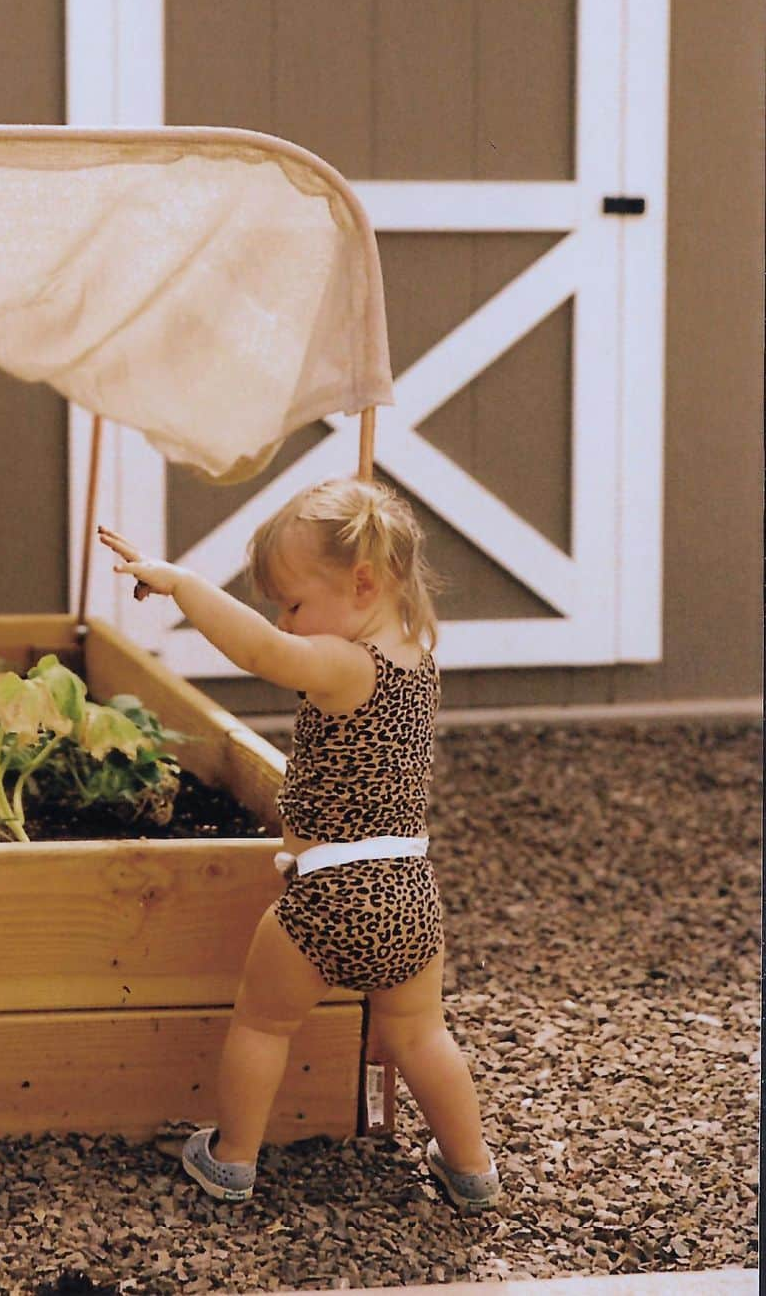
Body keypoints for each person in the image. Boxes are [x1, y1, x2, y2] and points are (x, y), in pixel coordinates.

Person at [97, 477, 500, 1212]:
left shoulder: (348, 665)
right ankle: (471, 1168)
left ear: (364, 583)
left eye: (293, 601)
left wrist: (184, 583)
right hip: (410, 891)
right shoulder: (419, 661)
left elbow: (260, 650)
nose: (286, 618)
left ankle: (232, 1159)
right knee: (421, 1035)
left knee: (262, 1022)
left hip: (331, 892)